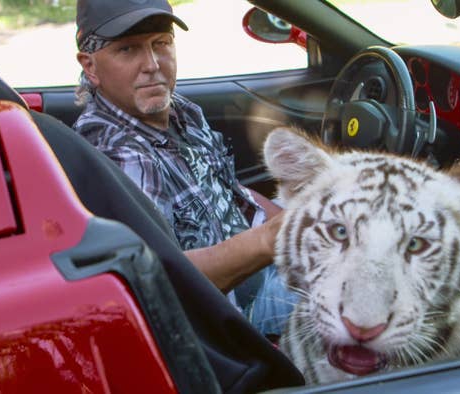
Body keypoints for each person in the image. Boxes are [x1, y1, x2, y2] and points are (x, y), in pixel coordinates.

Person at [72, 0, 295, 336]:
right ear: (90, 66)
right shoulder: (122, 155)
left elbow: (228, 191)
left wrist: (292, 222)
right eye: (128, 49)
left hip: (259, 270)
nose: (151, 65)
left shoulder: (181, 112)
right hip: (234, 317)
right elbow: (167, 280)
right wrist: (275, 238)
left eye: (161, 43)